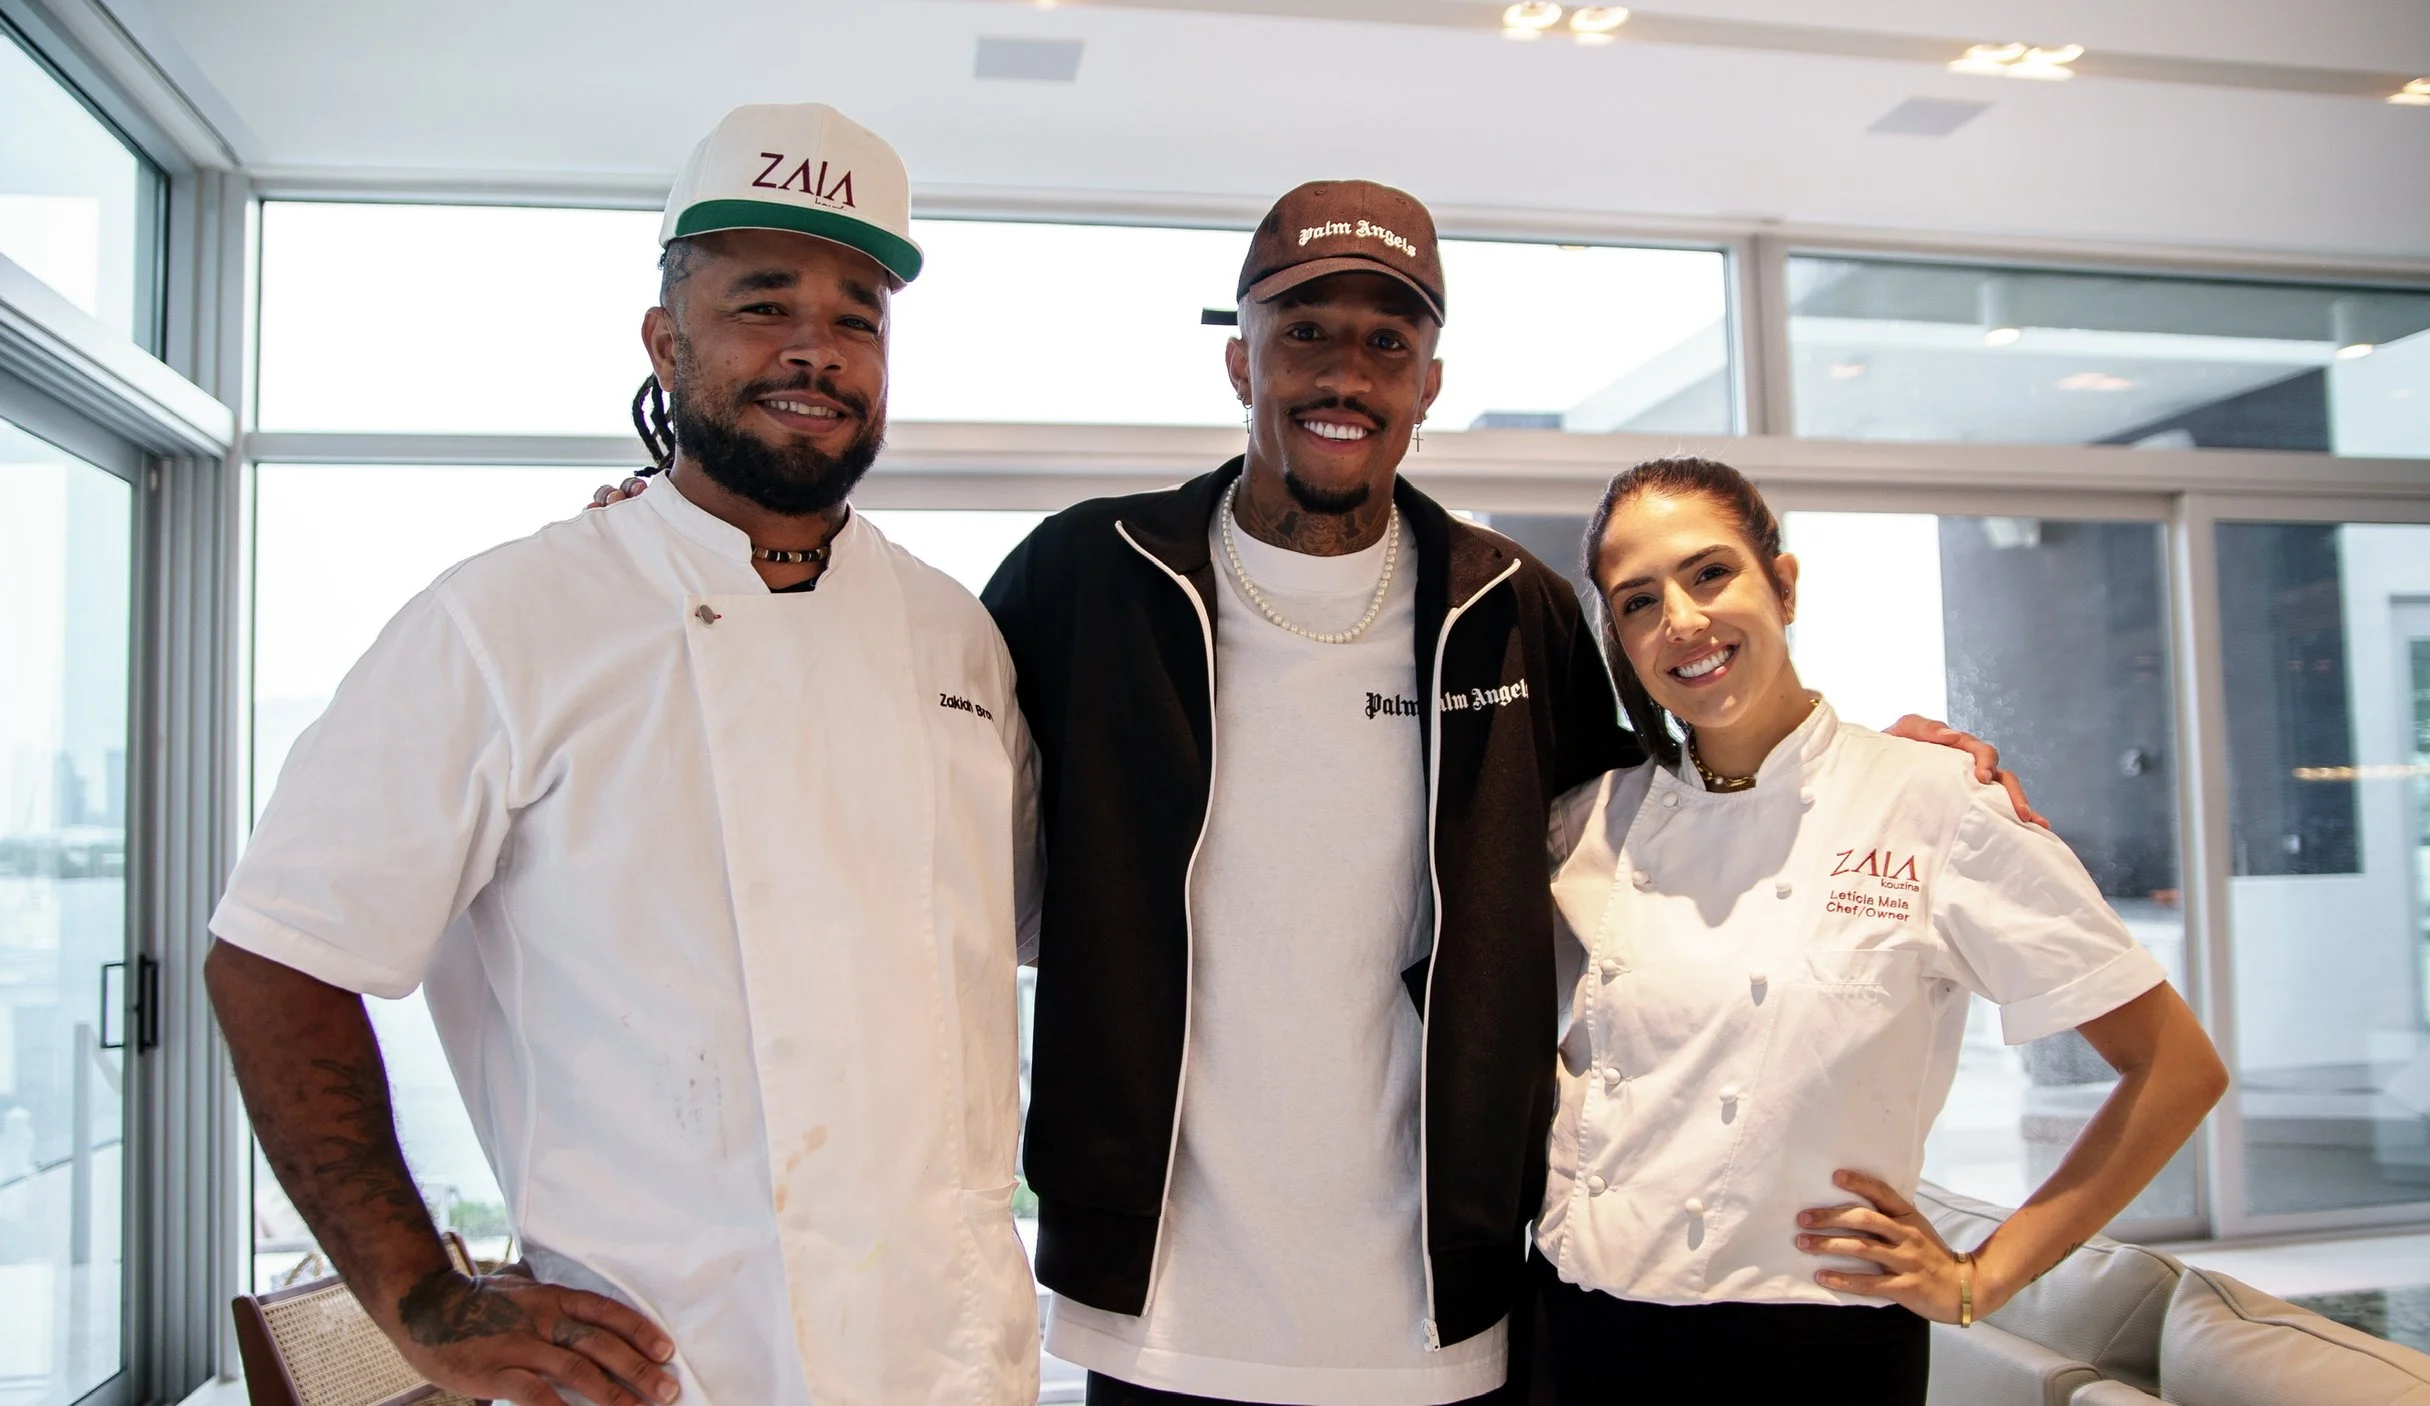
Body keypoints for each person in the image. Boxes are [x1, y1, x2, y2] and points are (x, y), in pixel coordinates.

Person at [976, 183, 2030, 1406]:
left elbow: (1665, 811)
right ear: (1237, 358)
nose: (1346, 374)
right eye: (1305, 330)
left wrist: (1873, 768)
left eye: (1389, 341)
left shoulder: (1506, 605)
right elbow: (945, 774)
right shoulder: (1092, 575)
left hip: (1439, 1302)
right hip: (1159, 1303)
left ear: (1428, 382)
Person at [203, 103, 1040, 1406]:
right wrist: (421, 1292)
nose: (815, 350)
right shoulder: (505, 623)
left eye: (858, 316)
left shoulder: (959, 636)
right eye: (764, 304)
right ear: (667, 340)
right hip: (653, 1369)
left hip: (950, 1360)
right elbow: (274, 952)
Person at [1533, 456, 2230, 1404]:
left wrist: (1985, 1277)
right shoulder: (1585, 824)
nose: (1682, 623)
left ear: (1782, 584)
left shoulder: (1936, 805)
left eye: (1709, 573)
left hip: (1817, 1352)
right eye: (1638, 601)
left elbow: (2177, 1068)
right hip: (1579, 1329)